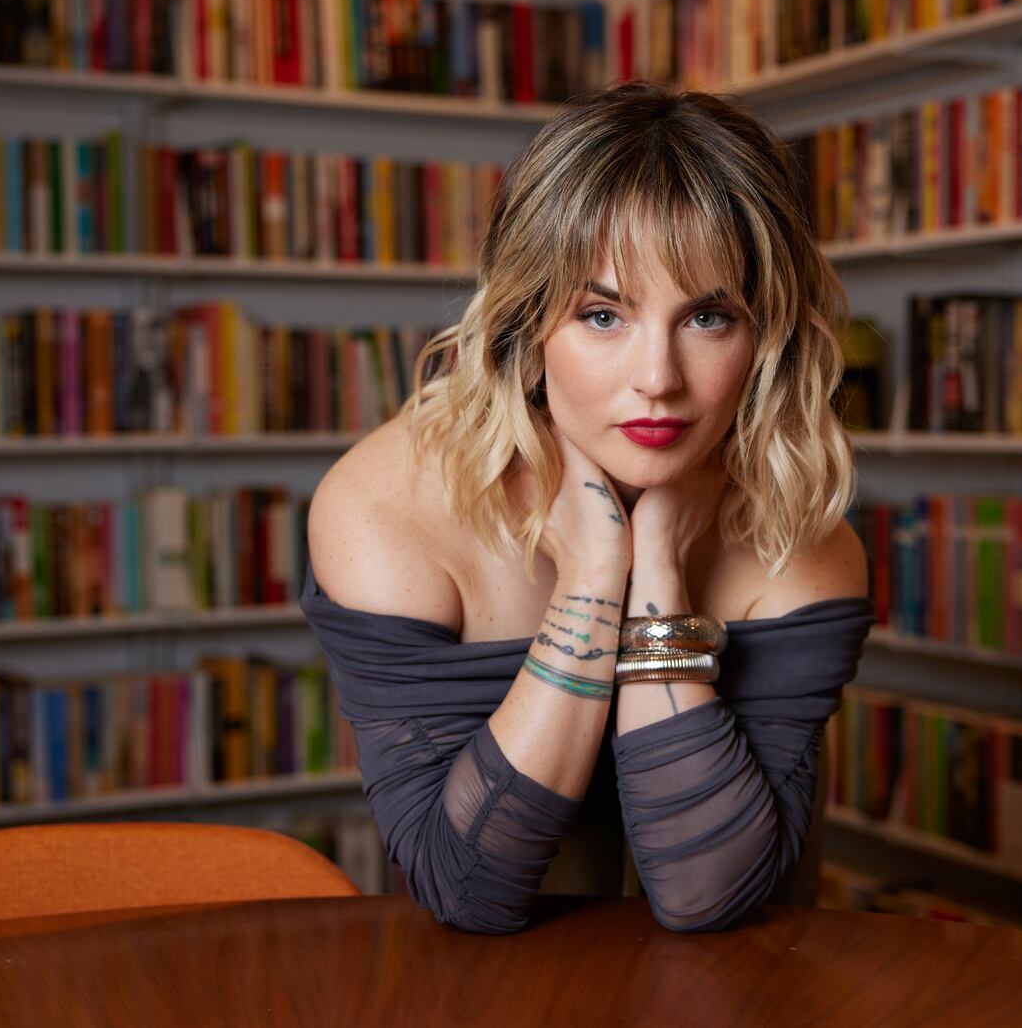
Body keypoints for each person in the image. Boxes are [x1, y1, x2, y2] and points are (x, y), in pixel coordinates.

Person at [301, 79, 875, 935]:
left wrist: (659, 573)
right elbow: (465, 886)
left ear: (767, 338)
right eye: (603, 314)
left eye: (709, 317)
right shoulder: (387, 507)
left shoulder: (804, 532)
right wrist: (592, 574)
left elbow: (706, 889)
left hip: (748, 994)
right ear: (527, 323)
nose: (658, 378)